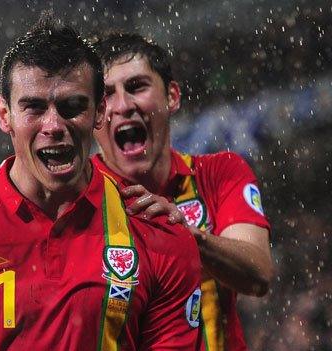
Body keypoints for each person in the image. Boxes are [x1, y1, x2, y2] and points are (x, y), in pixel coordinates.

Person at [0, 16, 202, 350]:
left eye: (72, 106)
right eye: (35, 107)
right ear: (4, 115)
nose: (54, 125)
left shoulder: (162, 237)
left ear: (100, 112)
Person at [91, 31, 274, 351]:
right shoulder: (81, 199)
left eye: (136, 86)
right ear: (93, 117)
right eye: (106, 96)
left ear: (172, 97)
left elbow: (258, 274)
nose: (122, 106)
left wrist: (189, 237)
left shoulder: (220, 174)